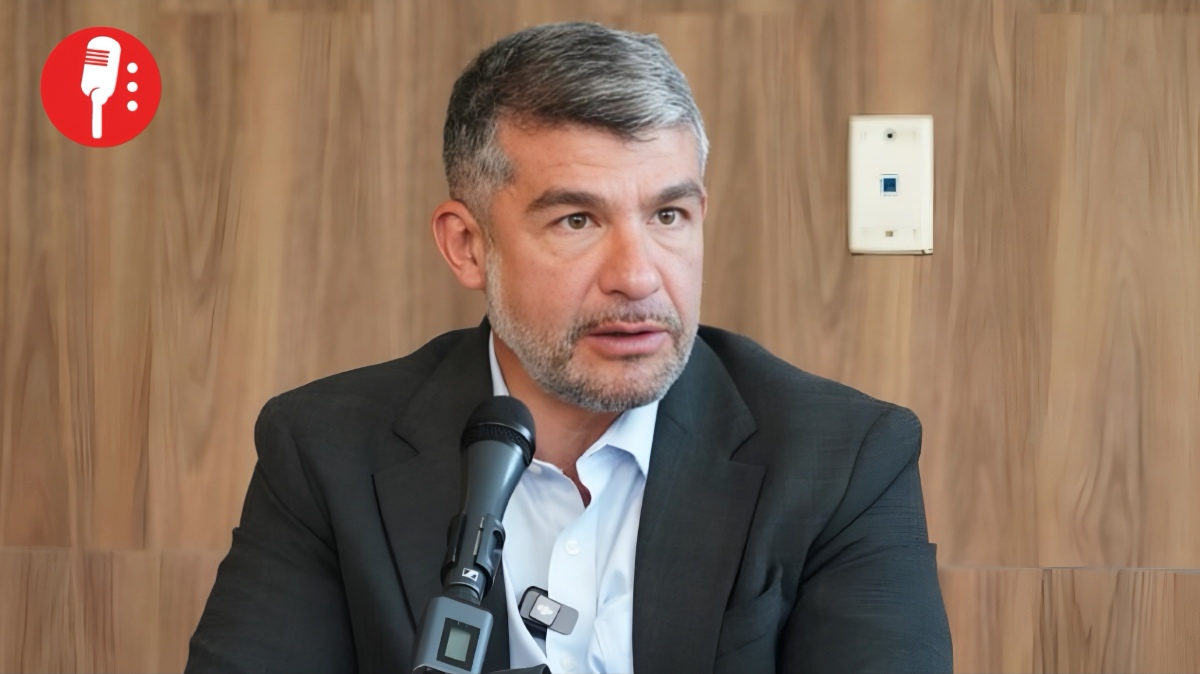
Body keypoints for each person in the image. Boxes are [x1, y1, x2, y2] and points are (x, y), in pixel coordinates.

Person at [186, 21, 951, 674]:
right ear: (467, 246)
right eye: (576, 221)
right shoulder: (326, 450)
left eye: (669, 216)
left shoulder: (841, 460)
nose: (638, 276)